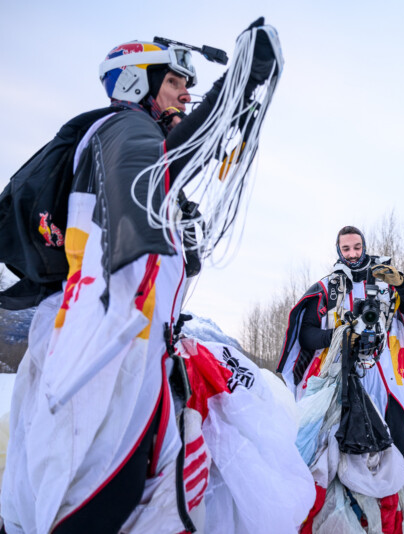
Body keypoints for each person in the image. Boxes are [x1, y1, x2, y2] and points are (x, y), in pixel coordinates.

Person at [0, 19, 315, 534]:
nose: (186, 95)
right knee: (92, 507)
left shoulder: (139, 155)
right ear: (135, 84)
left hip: (127, 350)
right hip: (102, 355)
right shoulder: (122, 131)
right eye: (175, 83)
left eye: (189, 87)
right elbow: (168, 165)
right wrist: (237, 88)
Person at [277, 226, 404, 530]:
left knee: (403, 446)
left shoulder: (386, 281)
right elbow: (304, 335)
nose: (353, 254)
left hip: (389, 379)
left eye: (357, 247)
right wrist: (340, 334)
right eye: (346, 249)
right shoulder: (326, 288)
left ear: (364, 246)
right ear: (338, 251)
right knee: (334, 453)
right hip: (342, 377)